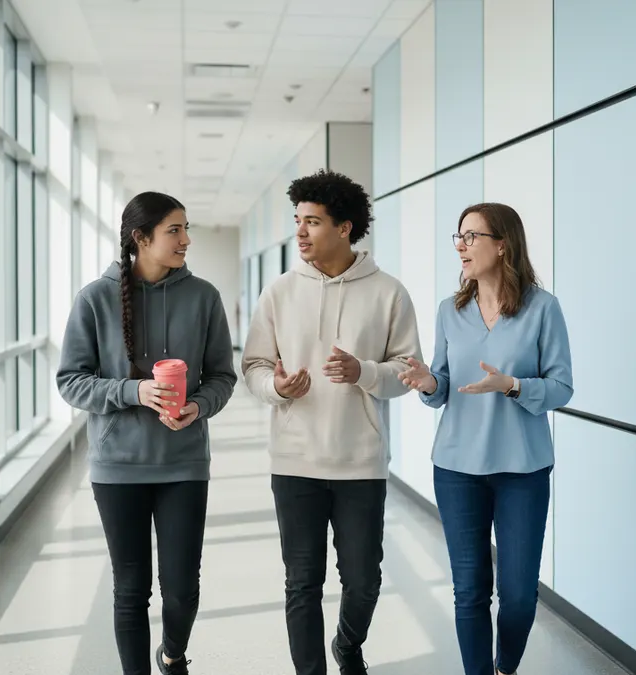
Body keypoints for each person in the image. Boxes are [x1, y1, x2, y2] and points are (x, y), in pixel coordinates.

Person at [241, 169, 423, 675]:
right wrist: (277, 388)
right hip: (295, 462)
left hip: (359, 463)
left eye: (313, 222)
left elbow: (407, 372)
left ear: (345, 228)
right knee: (302, 582)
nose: (300, 232)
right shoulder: (278, 292)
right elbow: (253, 367)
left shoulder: (389, 293)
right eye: (297, 220)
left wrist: (363, 371)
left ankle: (347, 642)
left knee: (363, 581)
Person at [56, 191, 237, 675]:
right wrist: (134, 391)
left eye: (186, 228)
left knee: (182, 589)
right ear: (140, 237)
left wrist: (198, 406)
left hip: (184, 465)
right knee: (131, 590)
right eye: (174, 230)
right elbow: (70, 381)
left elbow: (223, 376)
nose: (186, 239)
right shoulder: (94, 299)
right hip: (118, 468)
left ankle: (173, 653)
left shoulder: (204, 297)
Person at [398, 203, 573, 675]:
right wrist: (428, 383)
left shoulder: (543, 308)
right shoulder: (450, 311)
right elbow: (442, 386)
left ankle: (505, 667)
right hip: (457, 469)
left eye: (471, 236)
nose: (461, 245)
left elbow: (561, 387)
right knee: (470, 590)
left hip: (523, 471)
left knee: (518, 596)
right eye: (458, 236)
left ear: (502, 245)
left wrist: (512, 385)